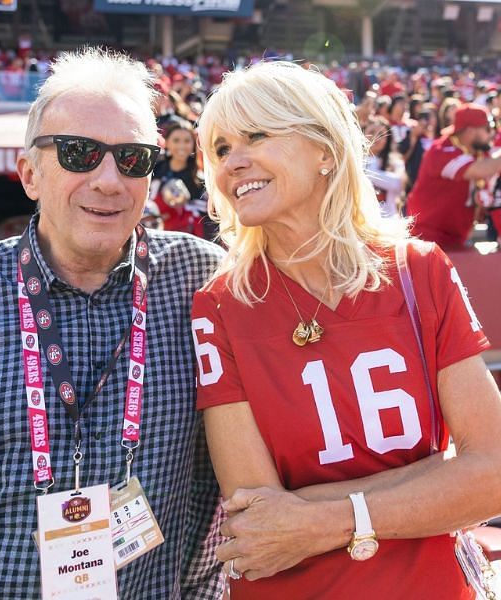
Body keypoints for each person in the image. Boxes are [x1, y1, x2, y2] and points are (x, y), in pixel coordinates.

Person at [0, 46, 226, 598]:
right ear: (30, 174)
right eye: (80, 153)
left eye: (132, 159)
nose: (109, 180)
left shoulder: (201, 282)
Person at [191, 60, 501, 598]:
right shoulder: (219, 306)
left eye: (256, 136)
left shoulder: (419, 270)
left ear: (325, 151)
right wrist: (439, 479)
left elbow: (493, 474)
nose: (233, 162)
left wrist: (323, 519)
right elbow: (257, 517)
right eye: (220, 149)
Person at [407, 103, 501, 250]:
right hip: (426, 240)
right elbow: (483, 169)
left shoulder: (477, 151)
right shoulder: (441, 151)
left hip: (455, 239)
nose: (492, 134)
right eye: (488, 128)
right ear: (470, 131)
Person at [150, 117, 214, 240]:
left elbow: (207, 217)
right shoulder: (155, 170)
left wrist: (185, 206)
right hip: (156, 233)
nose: (181, 146)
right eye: (176, 140)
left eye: (186, 141)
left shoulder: (200, 180)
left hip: (186, 238)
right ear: (167, 143)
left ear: (193, 144)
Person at [362, 115, 404, 217]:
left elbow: (397, 183)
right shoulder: (354, 159)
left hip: (387, 220)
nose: (376, 137)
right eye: (371, 132)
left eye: (381, 134)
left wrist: (364, 172)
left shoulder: (395, 162)